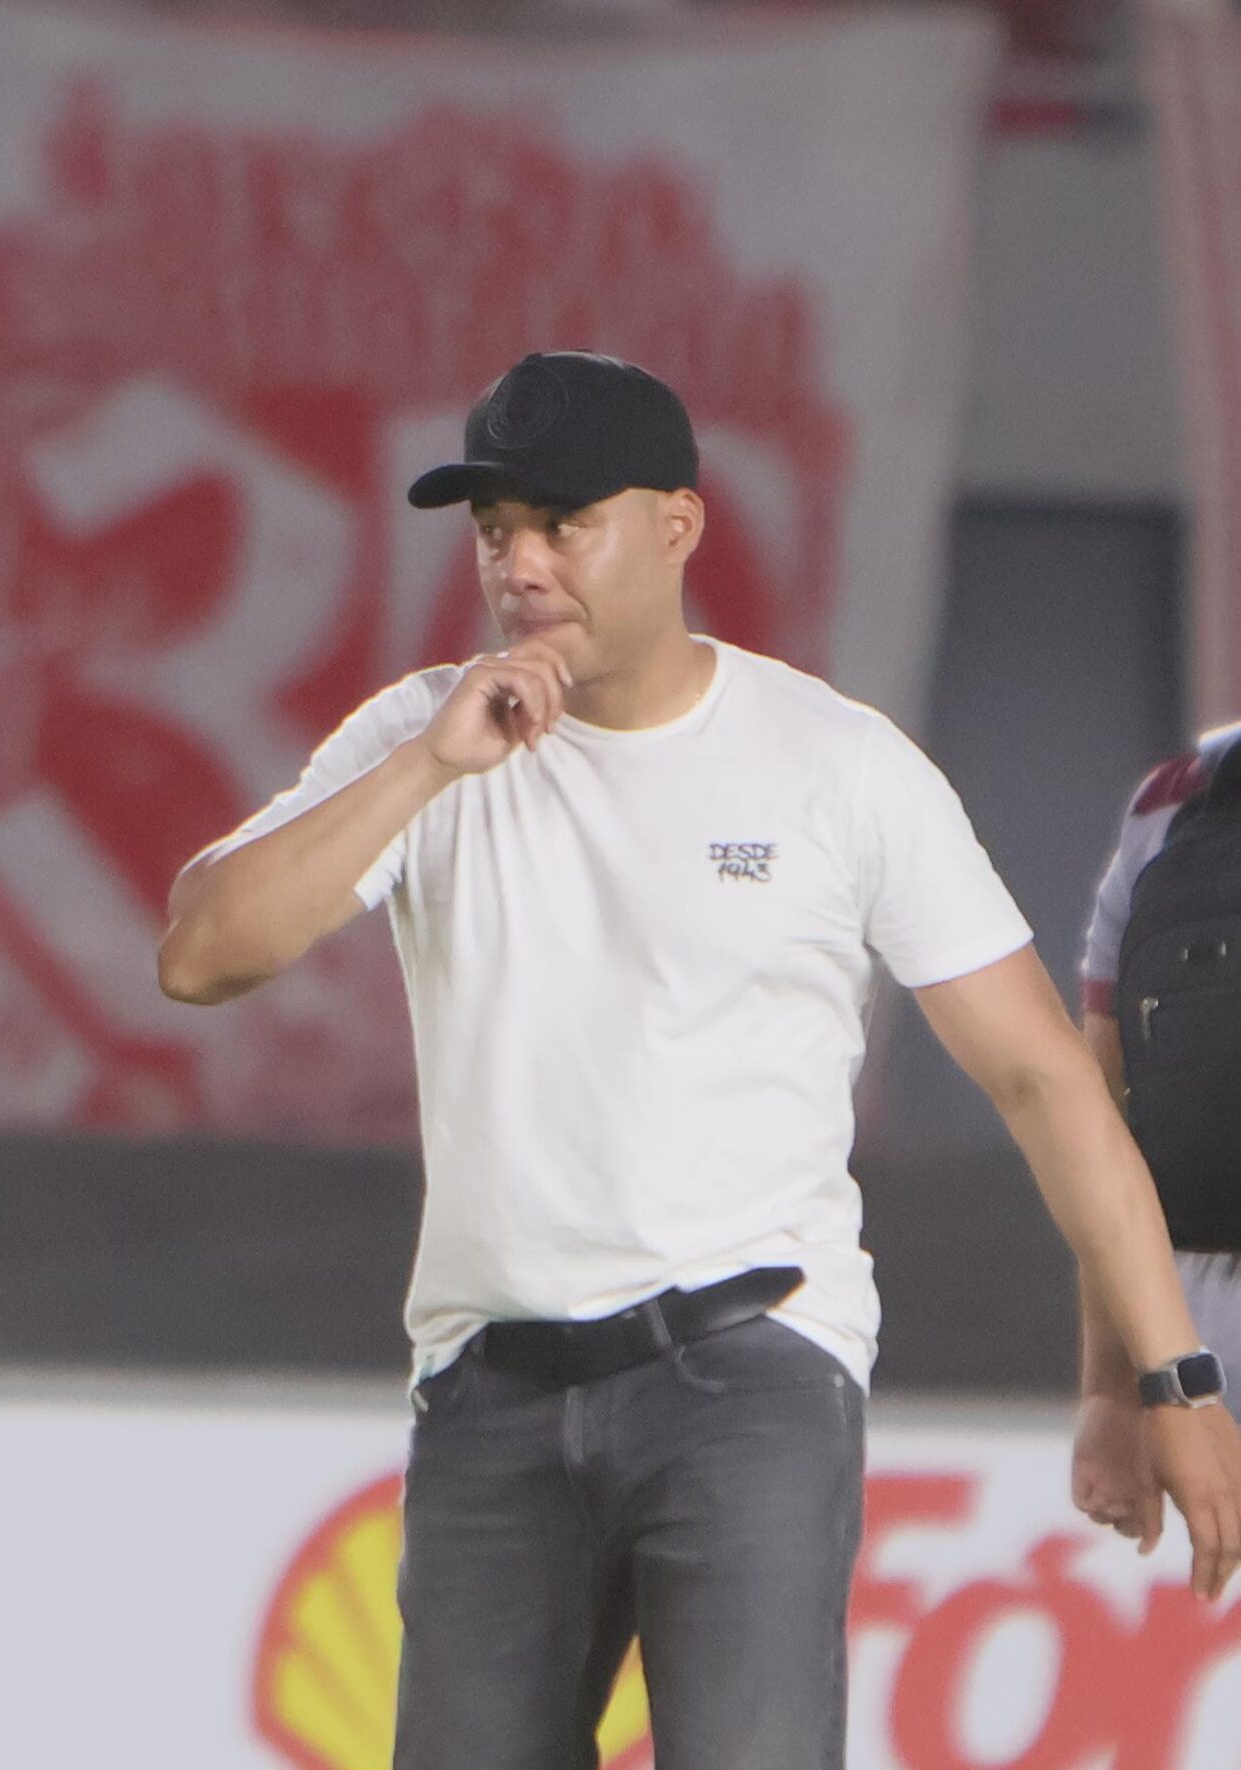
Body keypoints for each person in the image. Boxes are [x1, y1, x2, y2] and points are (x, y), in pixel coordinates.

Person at [157, 350, 1241, 1769]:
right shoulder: (418, 737)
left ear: (676, 526)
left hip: (748, 1371)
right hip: (488, 1383)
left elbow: (1046, 1080)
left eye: (563, 523)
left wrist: (1172, 1378)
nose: (521, 565)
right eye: (495, 530)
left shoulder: (835, 764)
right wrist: (427, 767)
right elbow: (201, 953)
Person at [1071, 728, 1241, 1551]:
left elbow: (1098, 1117)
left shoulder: (1176, 798)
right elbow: (1097, 1114)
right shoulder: (1175, 800)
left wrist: (1116, 1388)